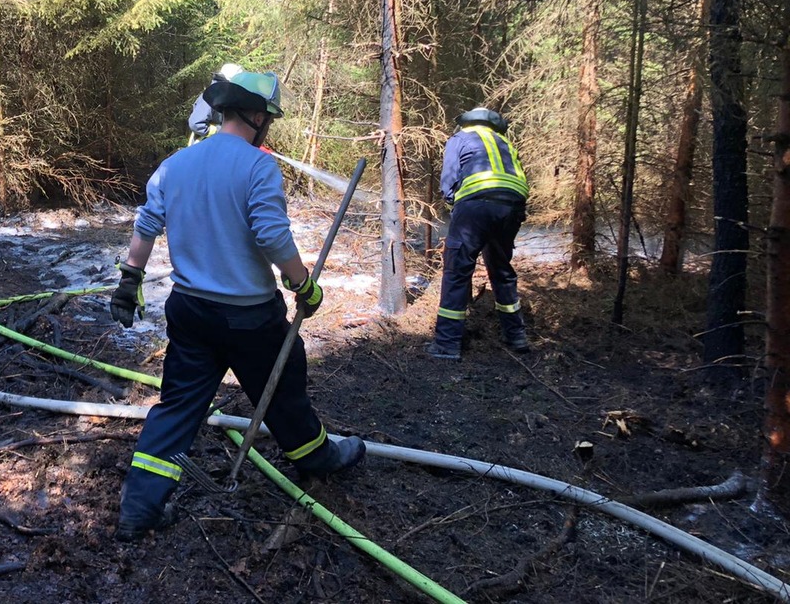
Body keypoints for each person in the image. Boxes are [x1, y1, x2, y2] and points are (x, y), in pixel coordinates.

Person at [110, 70, 366, 540]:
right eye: (267, 116)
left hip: (189, 311)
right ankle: (316, 458)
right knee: (282, 388)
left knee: (178, 406)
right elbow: (271, 235)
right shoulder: (257, 165)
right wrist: (303, 284)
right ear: (254, 115)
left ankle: (139, 508)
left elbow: (147, 223)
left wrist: (130, 279)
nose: (267, 124)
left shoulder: (176, 164)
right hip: (249, 316)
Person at [429, 107, 530, 360]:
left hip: (475, 206)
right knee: (501, 269)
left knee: (457, 269)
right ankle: (516, 335)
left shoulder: (460, 138)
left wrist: (454, 206)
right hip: (511, 208)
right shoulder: (505, 142)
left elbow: (449, 178)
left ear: (466, 122)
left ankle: (447, 344)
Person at [186, 62, 243, 143]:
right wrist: (219, 130)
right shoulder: (212, 95)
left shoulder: (224, 96)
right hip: (205, 147)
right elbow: (196, 123)